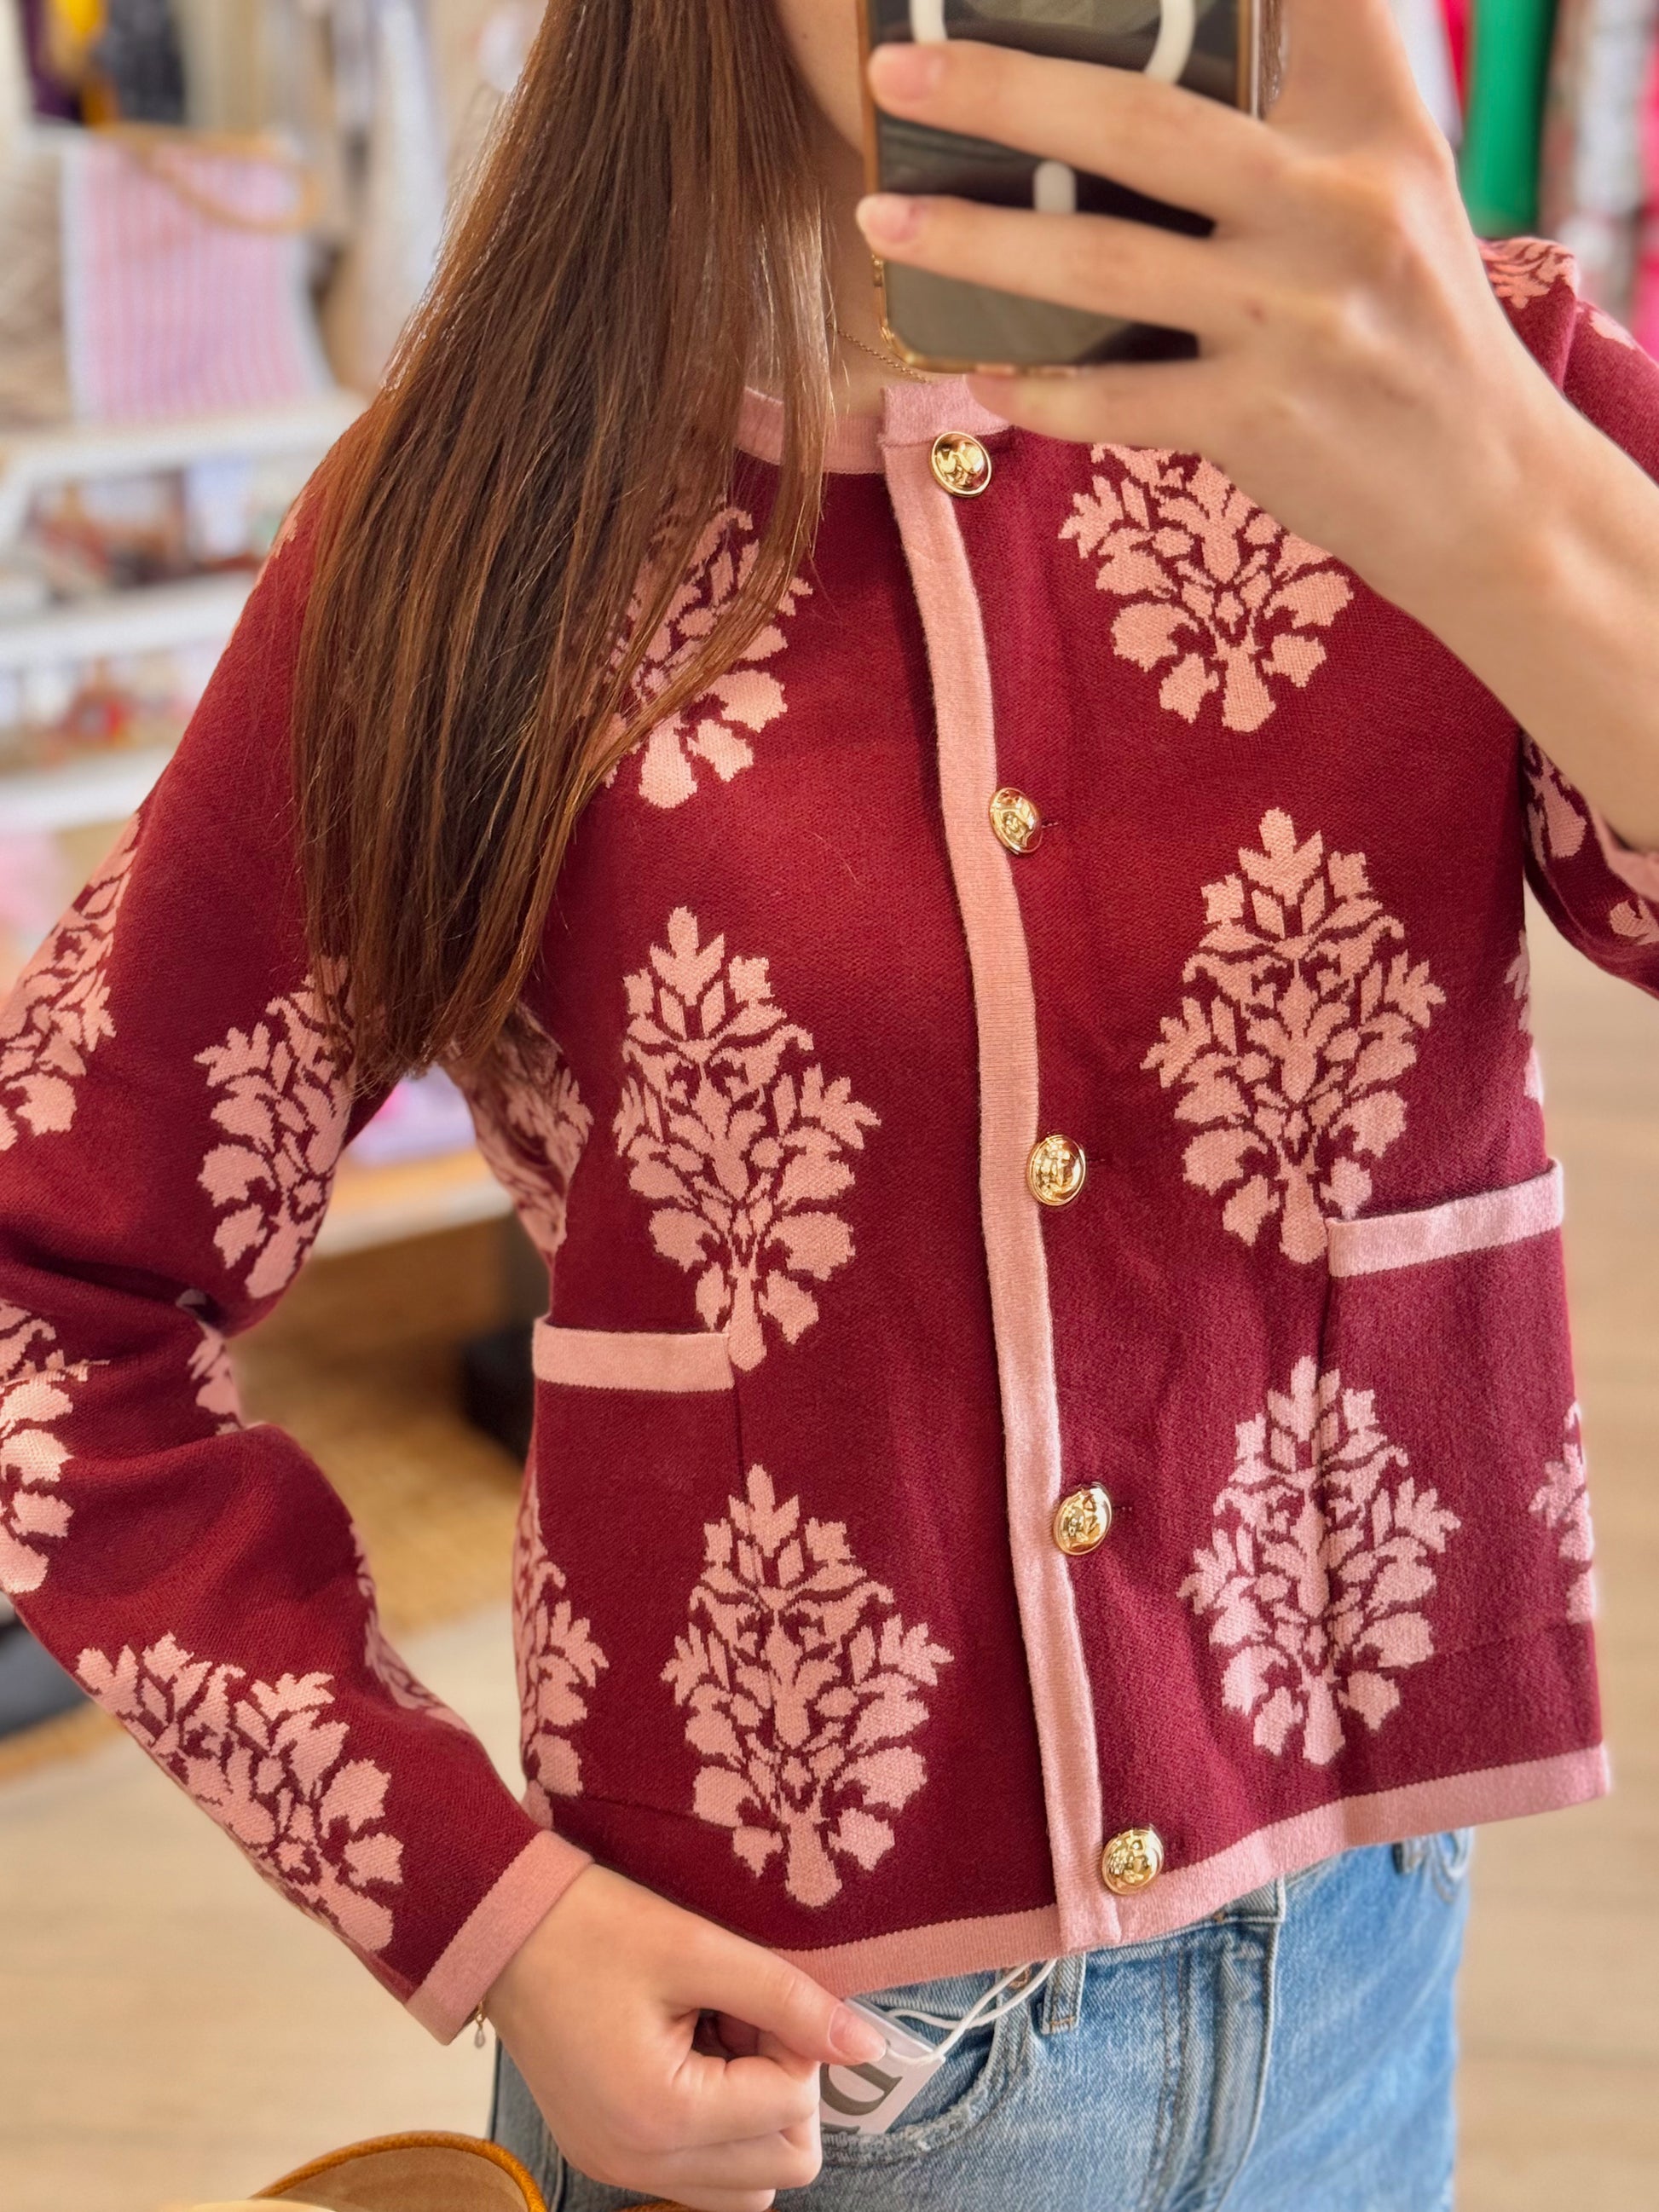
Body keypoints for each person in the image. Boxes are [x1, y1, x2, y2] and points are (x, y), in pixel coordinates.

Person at [3, 3, 1658, 2207]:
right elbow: (45, 1291)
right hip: (808, 2079)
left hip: (1371, 1964)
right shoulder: (479, 527)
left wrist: (1490, 475)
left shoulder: (1466, 384)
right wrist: (481, 1908)